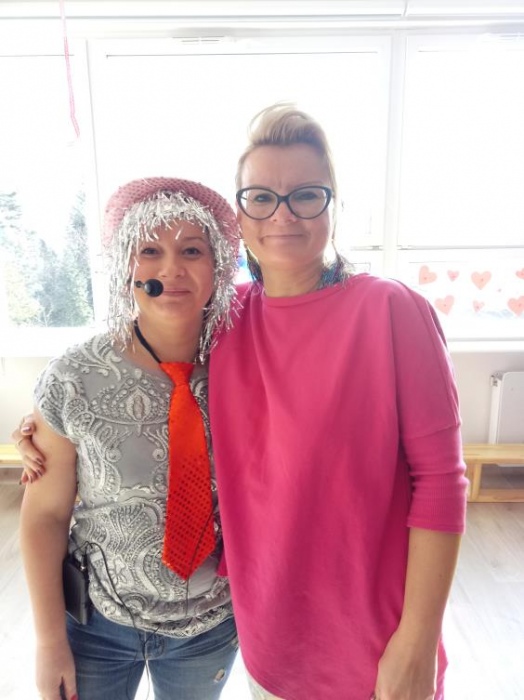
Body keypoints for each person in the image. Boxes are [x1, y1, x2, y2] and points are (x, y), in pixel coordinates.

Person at [15, 105, 468, 700]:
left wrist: (419, 639)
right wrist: (46, 422)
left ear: (333, 205)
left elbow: (441, 481)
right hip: (264, 636)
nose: (283, 214)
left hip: (373, 636)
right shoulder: (227, 324)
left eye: (306, 194)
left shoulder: (390, 310)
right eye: (261, 197)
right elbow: (148, 365)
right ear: (241, 217)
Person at [17, 177, 241, 700]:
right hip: (98, 623)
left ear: (218, 267)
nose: (172, 268)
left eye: (192, 250)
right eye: (150, 251)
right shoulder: (74, 378)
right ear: (125, 267)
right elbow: (44, 515)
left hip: (211, 625)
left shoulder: (250, 368)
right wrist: (48, 642)